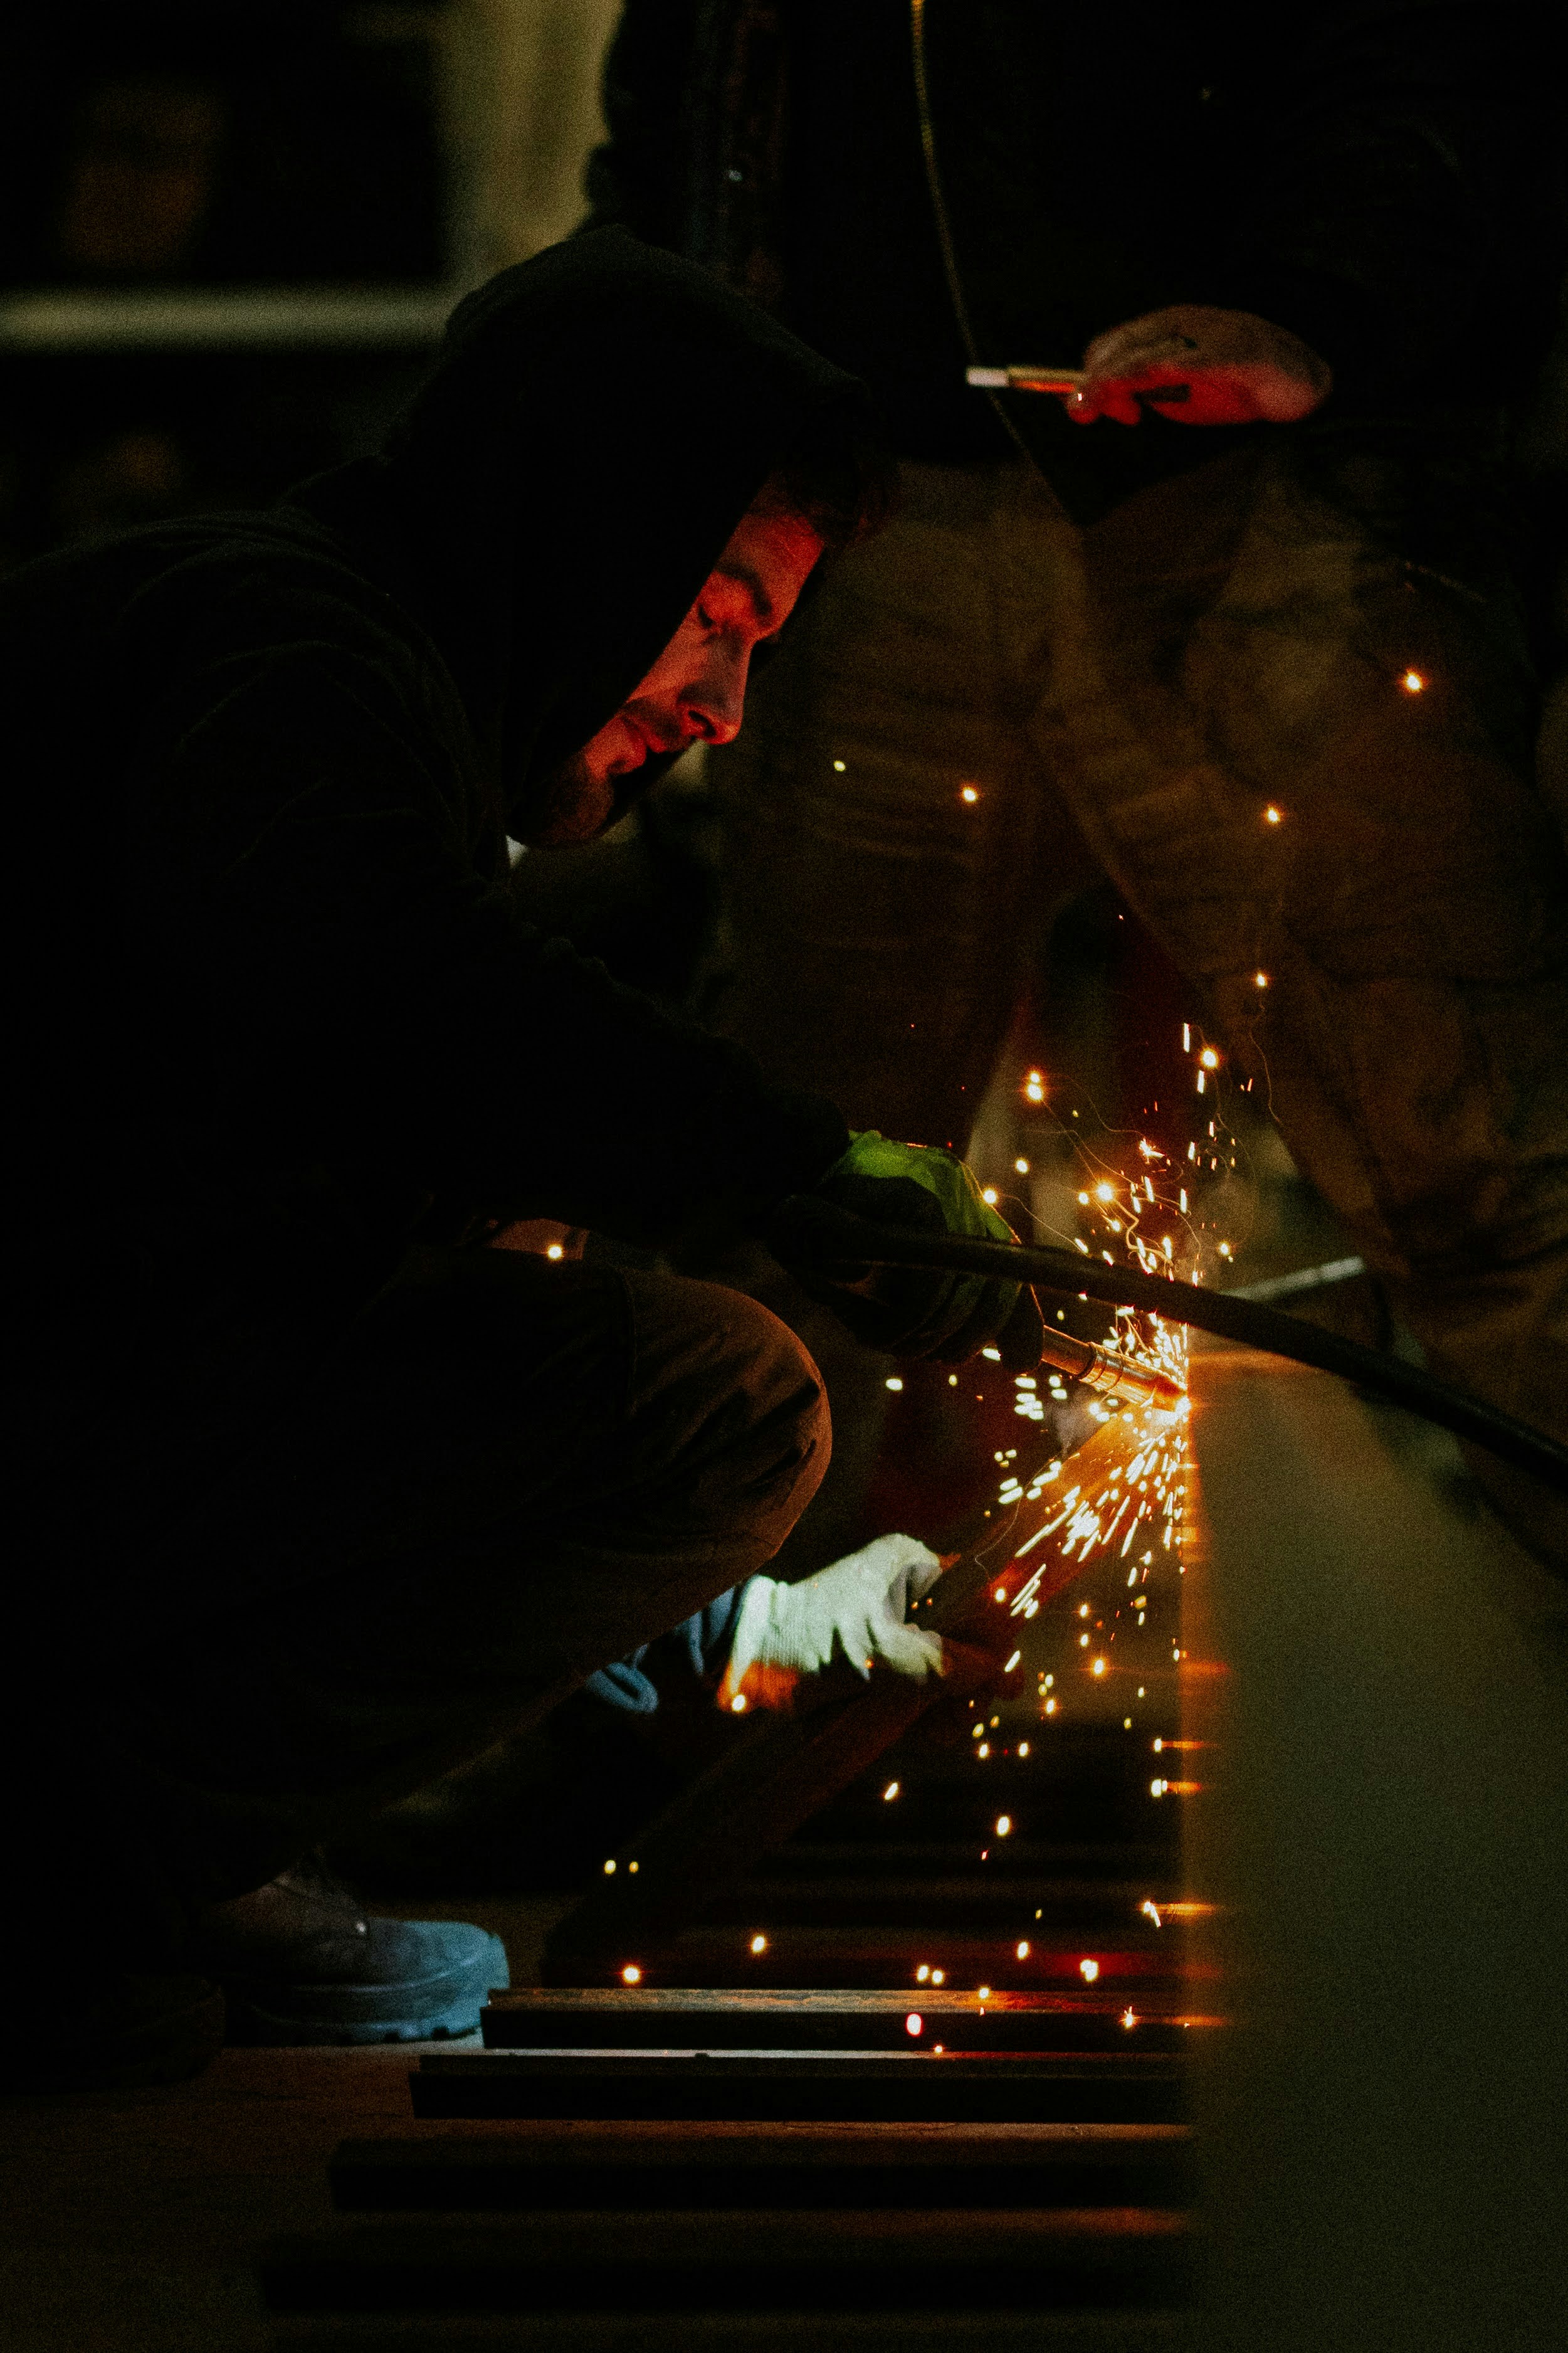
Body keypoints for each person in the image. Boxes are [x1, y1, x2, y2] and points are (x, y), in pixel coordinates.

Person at [0, 229, 1039, 2089]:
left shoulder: (327, 677)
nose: (720, 708)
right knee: (722, 1400)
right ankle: (75, 1867)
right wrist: (779, 1157)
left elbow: (299, 1275)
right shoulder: (290, 653)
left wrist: (750, 1623)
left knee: (549, 1247)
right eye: (718, 608)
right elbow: (391, 995)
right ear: (589, 521)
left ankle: (110, 1855)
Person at [582, 0, 1568, 1567]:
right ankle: (674, 1688)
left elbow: (1433, 51)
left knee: (1478, 1175)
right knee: (790, 1186)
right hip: (866, 502)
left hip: (1246, 500)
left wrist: (1310, 302)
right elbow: (693, 83)